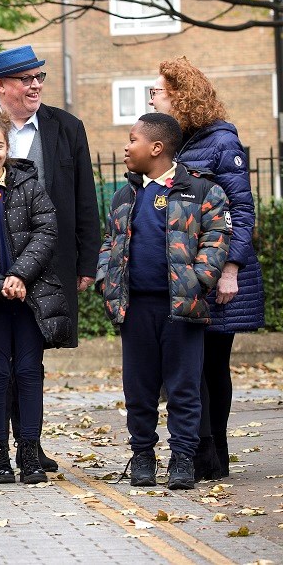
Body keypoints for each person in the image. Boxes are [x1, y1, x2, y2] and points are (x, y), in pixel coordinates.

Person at [0, 44, 100, 472]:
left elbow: (84, 196)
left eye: (39, 78)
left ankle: (30, 446)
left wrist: (87, 263)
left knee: (31, 361)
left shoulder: (67, 128)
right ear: (1, 85)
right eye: (26, 79)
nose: (35, 86)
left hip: (44, 265)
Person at [96, 113, 231, 490]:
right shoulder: (126, 194)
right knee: (138, 390)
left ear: (156, 148)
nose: (126, 146)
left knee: (183, 388)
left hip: (180, 309)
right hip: (136, 308)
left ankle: (183, 460)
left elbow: (217, 237)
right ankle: (142, 457)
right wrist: (107, 277)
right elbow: (110, 242)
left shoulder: (202, 190)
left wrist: (198, 279)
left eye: (132, 139)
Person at [149, 57, 265, 480]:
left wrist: (231, 268)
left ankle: (213, 453)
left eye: (157, 90)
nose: (153, 97)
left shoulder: (221, 142)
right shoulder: (178, 142)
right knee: (189, 365)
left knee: (212, 364)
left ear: (180, 94)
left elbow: (241, 209)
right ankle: (202, 453)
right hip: (187, 273)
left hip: (219, 275)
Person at [0, 108, 72, 485]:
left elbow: (46, 232)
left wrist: (20, 275)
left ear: (7, 147)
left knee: (27, 372)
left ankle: (29, 450)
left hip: (29, 297)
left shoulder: (29, 184)